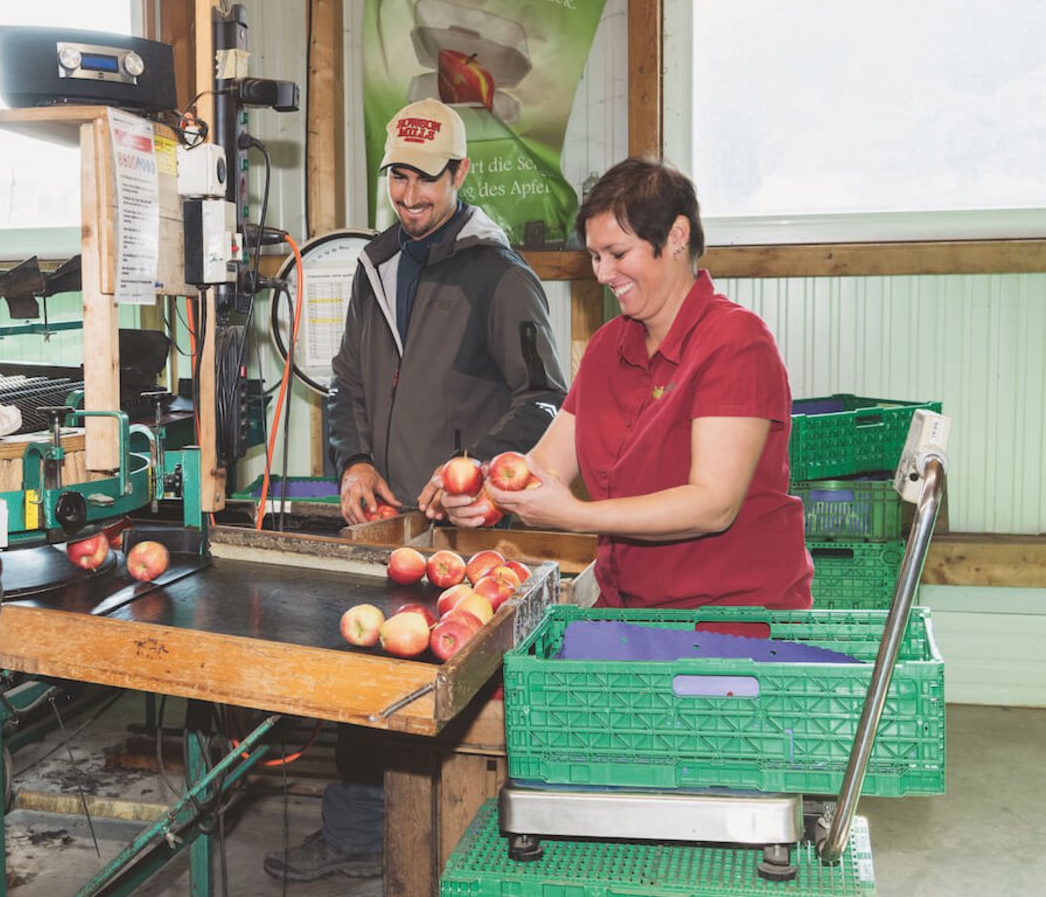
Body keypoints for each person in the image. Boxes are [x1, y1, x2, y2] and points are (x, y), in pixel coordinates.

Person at [262, 98, 566, 882]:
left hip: (470, 535)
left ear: (460, 173)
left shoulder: (501, 278)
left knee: (458, 699)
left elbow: (544, 397)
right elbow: (347, 379)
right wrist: (355, 460)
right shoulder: (376, 264)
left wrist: (476, 468)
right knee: (370, 678)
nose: (409, 195)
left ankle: (468, 842)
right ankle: (357, 837)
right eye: (397, 177)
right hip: (390, 526)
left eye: (426, 179)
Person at [438, 156, 813, 611]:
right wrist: (486, 492)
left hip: (731, 619)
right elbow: (547, 466)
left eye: (617, 254)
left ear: (676, 237)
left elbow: (714, 504)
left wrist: (578, 515)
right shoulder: (606, 348)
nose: (602, 274)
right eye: (595, 257)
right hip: (628, 609)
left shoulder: (736, 343)